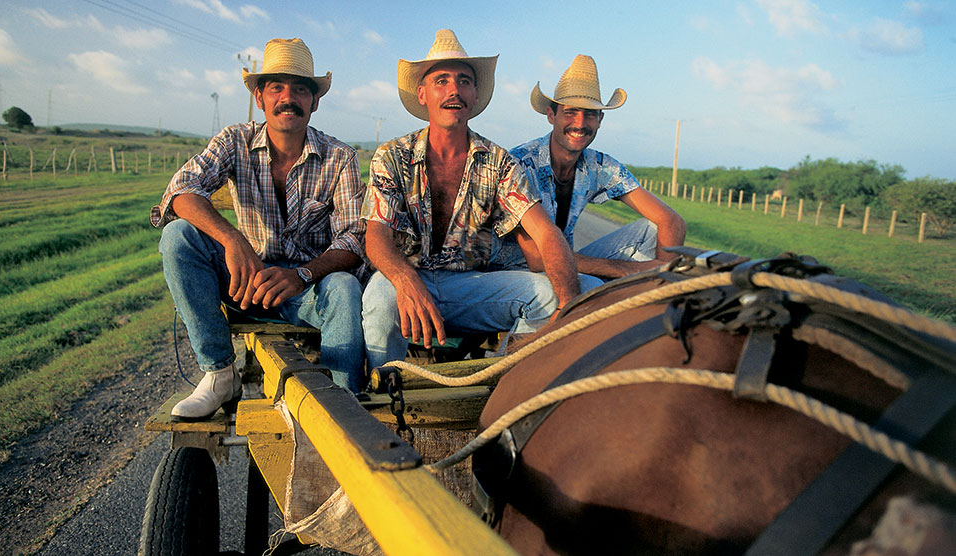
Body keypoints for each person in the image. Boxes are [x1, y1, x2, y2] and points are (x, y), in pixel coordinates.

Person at [151, 38, 367, 420]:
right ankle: (219, 372)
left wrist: (302, 274)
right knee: (177, 237)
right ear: (259, 96)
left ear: (315, 101)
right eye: (277, 87)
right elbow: (181, 191)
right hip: (246, 281)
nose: (289, 97)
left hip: (308, 291)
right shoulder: (235, 140)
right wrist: (232, 239)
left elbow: (352, 239)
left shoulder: (340, 156)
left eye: (301, 88)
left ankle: (342, 402)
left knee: (346, 285)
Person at [360, 29, 580, 369]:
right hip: (405, 278)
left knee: (548, 295)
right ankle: (377, 397)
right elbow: (376, 236)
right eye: (441, 81)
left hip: (469, 286)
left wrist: (568, 306)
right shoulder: (392, 155)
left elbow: (545, 233)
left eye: (464, 81)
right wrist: (406, 280)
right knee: (378, 295)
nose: (454, 91)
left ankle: (502, 383)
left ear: (475, 95)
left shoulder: (499, 162)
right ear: (422, 94)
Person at [493, 54, 686, 285]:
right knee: (589, 285)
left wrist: (661, 274)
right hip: (512, 273)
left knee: (651, 230)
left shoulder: (599, 165)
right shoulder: (521, 163)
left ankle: (657, 295)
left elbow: (671, 220)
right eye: (571, 112)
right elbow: (536, 258)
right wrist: (627, 269)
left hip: (562, 264)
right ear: (551, 115)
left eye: (590, 114)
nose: (581, 123)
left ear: (600, 119)